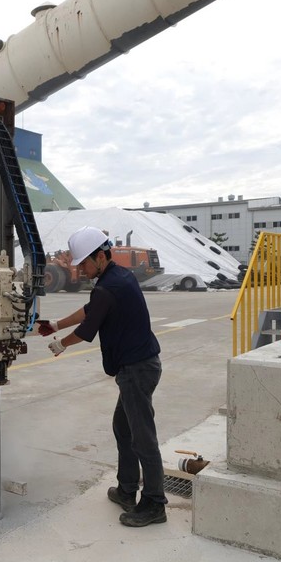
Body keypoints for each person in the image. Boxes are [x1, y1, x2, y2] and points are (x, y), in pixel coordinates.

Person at [38, 226, 167, 527]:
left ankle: (154, 503)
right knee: (123, 428)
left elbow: (87, 330)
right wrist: (56, 324)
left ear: (100, 256)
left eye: (83, 263)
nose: (80, 269)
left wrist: (60, 344)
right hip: (138, 366)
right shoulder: (118, 278)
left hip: (137, 370)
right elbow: (91, 309)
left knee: (142, 437)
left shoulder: (109, 286)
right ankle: (126, 489)